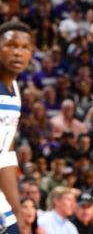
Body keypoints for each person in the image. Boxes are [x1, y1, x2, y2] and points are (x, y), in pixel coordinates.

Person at [0, 20, 34, 234]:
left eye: (24, 47)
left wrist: (17, 209)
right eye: (11, 45)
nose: (18, 53)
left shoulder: (15, 89)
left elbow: (6, 153)